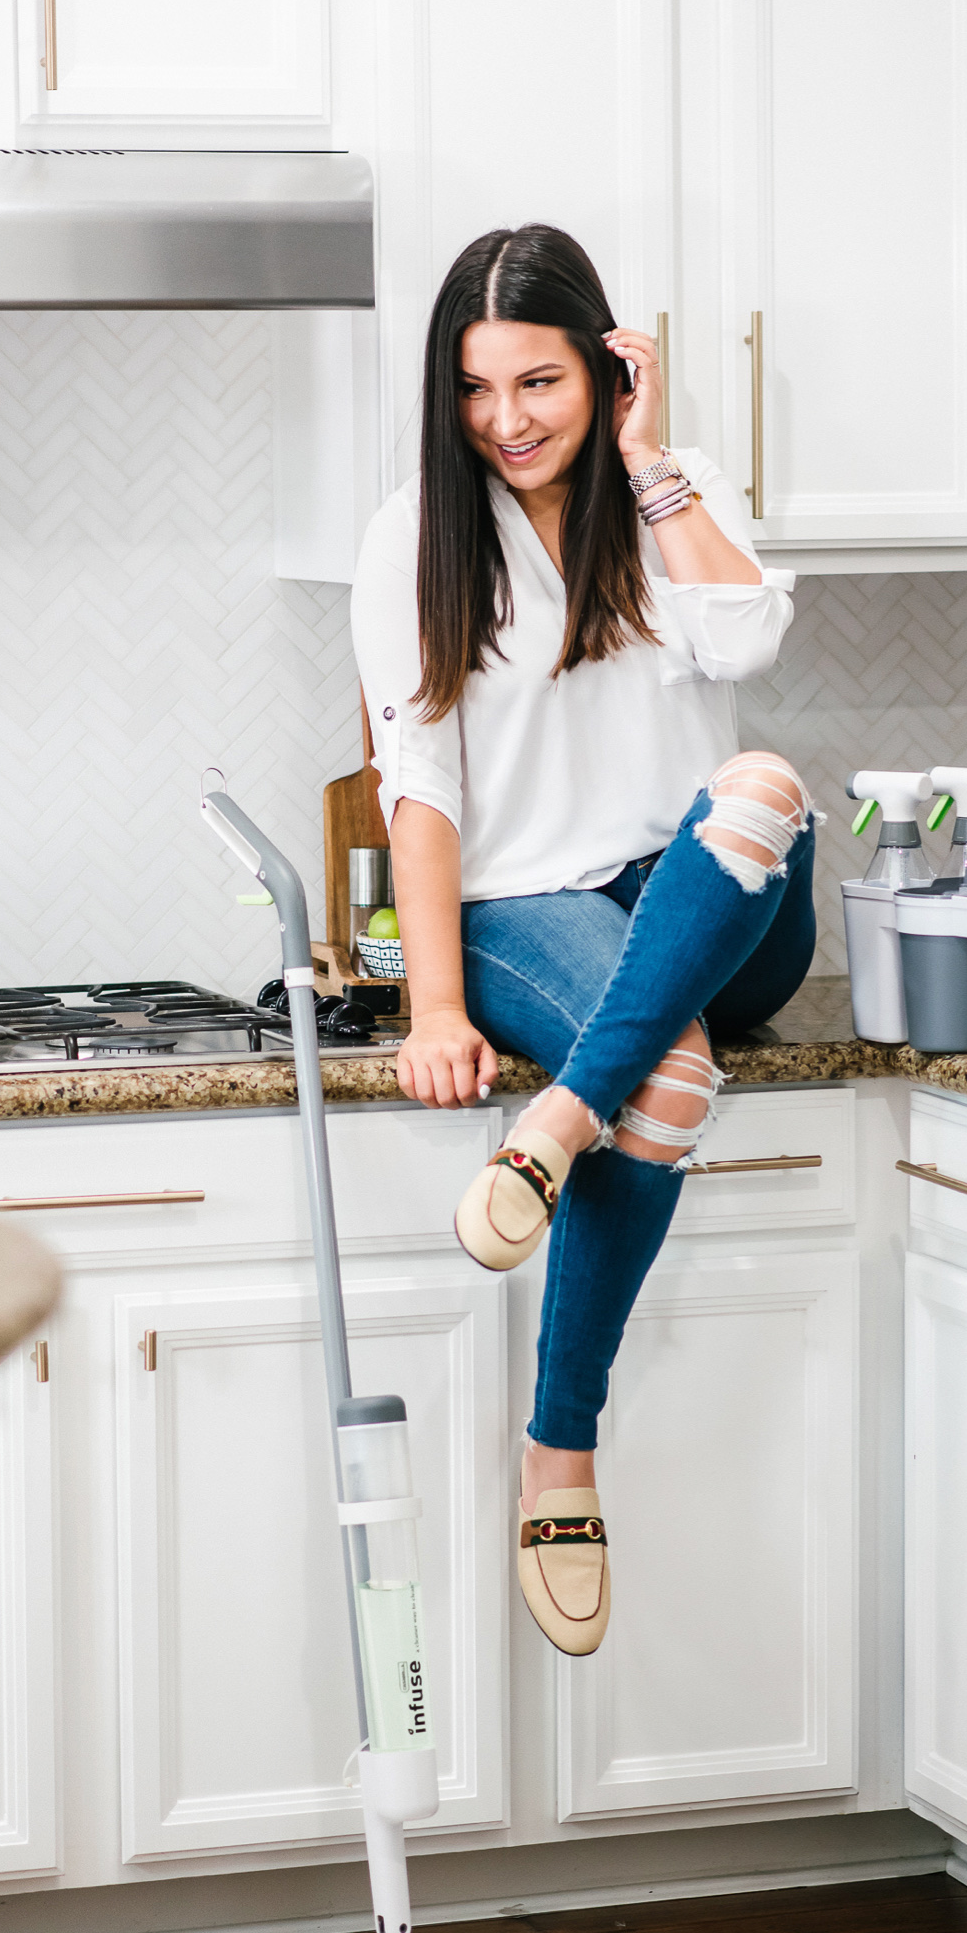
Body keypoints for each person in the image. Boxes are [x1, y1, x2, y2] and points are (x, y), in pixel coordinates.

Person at [351, 224, 816, 1657]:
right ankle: (562, 1452)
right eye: (476, 388)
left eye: (539, 381)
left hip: (711, 900)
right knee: (668, 1082)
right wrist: (437, 1007)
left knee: (764, 784)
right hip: (526, 912)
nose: (506, 419)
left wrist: (647, 455)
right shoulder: (413, 538)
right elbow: (421, 789)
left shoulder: (672, 491)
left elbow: (744, 642)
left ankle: (557, 1123)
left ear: (605, 368)